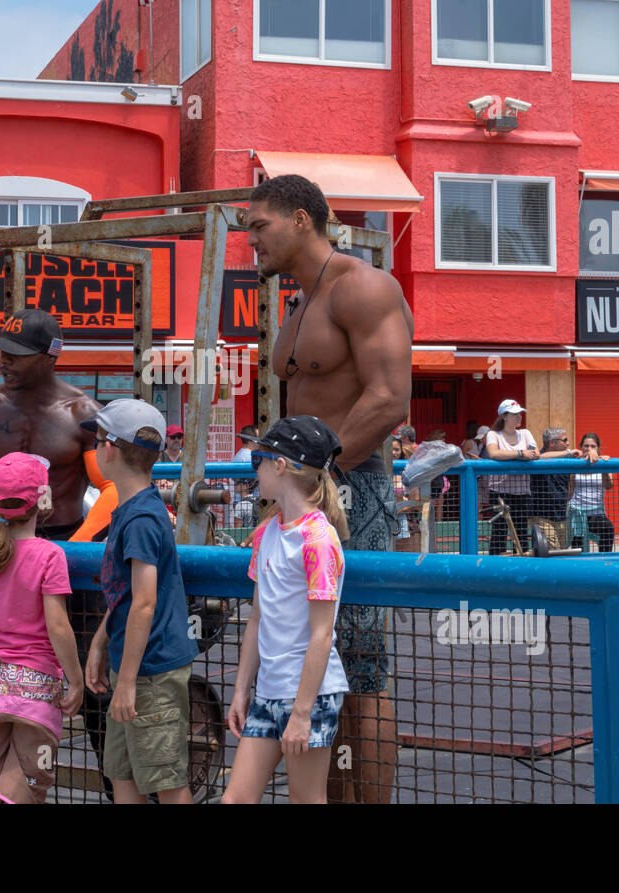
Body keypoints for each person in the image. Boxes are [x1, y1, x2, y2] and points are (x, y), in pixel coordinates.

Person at [247, 174, 412, 805]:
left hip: (355, 491)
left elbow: (388, 399)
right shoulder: (299, 301)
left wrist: (322, 480)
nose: (251, 241)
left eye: (260, 227)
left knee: (364, 671)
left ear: (300, 220)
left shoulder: (363, 287)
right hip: (307, 493)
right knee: (308, 662)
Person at [0, 309, 118, 793]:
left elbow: (110, 488)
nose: (5, 361)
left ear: (51, 356)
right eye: (2, 351)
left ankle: (115, 789)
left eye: (18, 355)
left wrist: (76, 546)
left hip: (68, 550)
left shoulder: (82, 413)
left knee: (90, 676)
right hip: (2, 543)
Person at [224, 417, 350, 804]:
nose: (254, 468)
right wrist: (241, 691)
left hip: (308, 695)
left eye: (257, 460)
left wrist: (302, 712)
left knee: (306, 799)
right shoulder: (267, 532)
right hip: (271, 691)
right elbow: (258, 617)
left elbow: (321, 634)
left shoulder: (318, 539)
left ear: (279, 465)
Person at [82, 399, 197, 804]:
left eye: (95, 441)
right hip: (134, 667)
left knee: (165, 780)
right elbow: (127, 594)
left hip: (149, 672)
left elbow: (144, 603)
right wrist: (100, 641)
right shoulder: (135, 510)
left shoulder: (142, 519)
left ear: (109, 449)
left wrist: (127, 681)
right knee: (123, 773)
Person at [0, 452, 84, 804]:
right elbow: (57, 625)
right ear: (43, 501)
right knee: (24, 793)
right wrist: (75, 680)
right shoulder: (49, 555)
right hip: (38, 696)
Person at [484, 400, 540, 555]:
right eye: (515, 414)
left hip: (522, 492)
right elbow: (494, 453)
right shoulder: (493, 434)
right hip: (499, 493)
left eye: (519, 414)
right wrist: (520, 454)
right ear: (504, 416)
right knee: (499, 533)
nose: (519, 417)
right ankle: (495, 569)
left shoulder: (525, 433)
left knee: (521, 533)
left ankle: (522, 567)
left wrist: (514, 456)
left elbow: (536, 454)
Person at [526, 427, 579, 550]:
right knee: (552, 551)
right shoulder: (538, 457)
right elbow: (540, 457)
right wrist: (568, 453)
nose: (568, 443)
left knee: (562, 552)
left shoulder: (566, 460)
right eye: (564, 440)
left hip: (561, 516)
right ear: (552, 442)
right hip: (541, 516)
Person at [568, 433, 616, 553]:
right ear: (581, 447)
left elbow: (609, 486)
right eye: (586, 446)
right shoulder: (575, 463)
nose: (589, 449)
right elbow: (569, 493)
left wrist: (602, 466)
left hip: (597, 513)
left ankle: (605, 561)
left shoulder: (605, 462)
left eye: (592, 446)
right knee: (578, 549)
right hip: (577, 513)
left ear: (598, 448)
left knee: (608, 529)